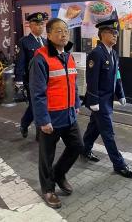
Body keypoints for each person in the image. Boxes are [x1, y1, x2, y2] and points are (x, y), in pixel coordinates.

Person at [29, 18, 83, 209]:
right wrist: (43, 120)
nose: (63, 34)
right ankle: (48, 190)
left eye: (66, 31)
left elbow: (73, 83)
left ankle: (59, 173)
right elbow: (37, 92)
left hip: (68, 114)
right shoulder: (41, 58)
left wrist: (76, 103)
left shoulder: (68, 55)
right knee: (47, 156)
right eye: (58, 31)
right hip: (50, 117)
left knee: (77, 146)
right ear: (49, 34)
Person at [82, 18, 132, 178]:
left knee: (94, 127)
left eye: (116, 33)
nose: (115, 36)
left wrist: (121, 94)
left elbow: (116, 76)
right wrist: (93, 101)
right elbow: (91, 79)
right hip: (99, 101)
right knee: (108, 133)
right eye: (112, 33)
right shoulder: (96, 54)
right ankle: (119, 165)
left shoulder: (113, 53)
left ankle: (84, 150)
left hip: (107, 100)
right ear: (103, 34)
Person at [14, 12, 47, 139]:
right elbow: (20, 61)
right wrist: (18, 80)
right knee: (36, 105)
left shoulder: (45, 42)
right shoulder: (24, 42)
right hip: (31, 79)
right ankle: (34, 130)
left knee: (41, 105)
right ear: (31, 25)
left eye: (42, 24)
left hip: (45, 79)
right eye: (37, 24)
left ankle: (26, 124)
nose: (40, 27)